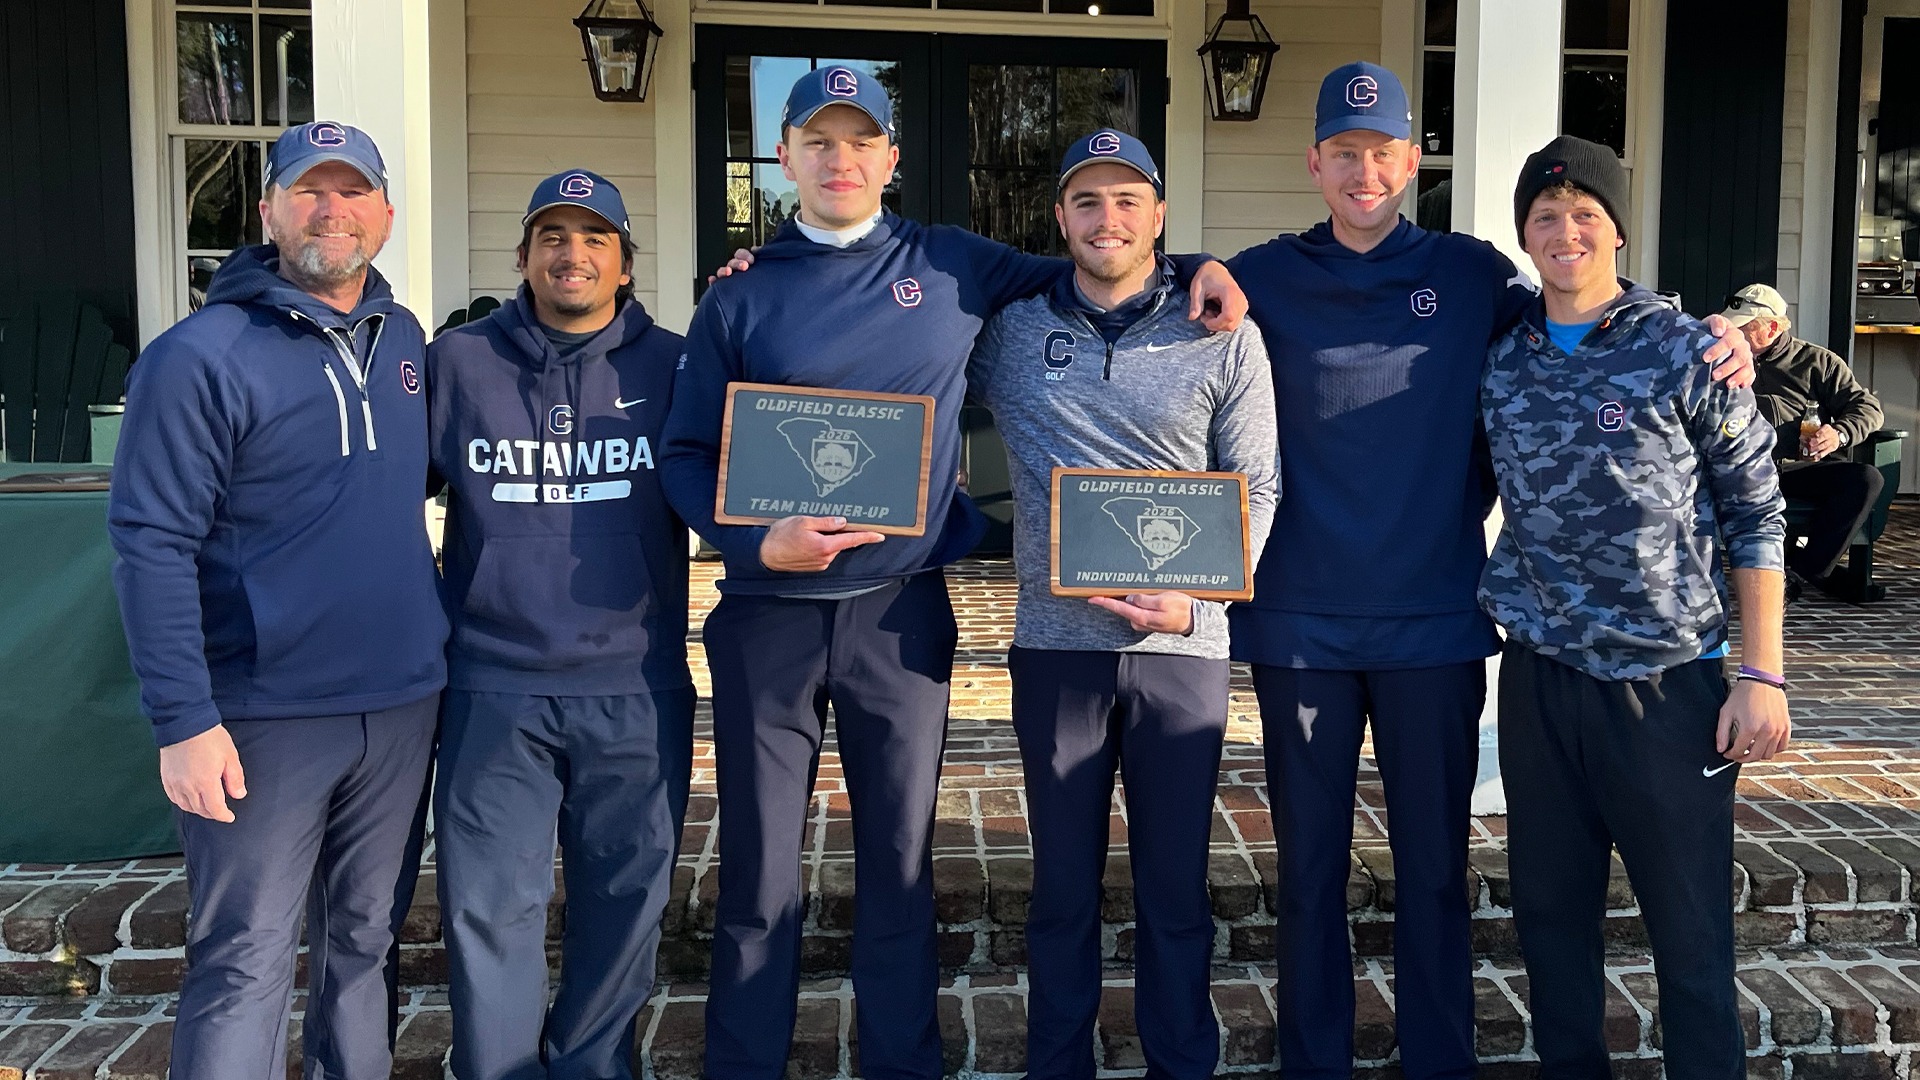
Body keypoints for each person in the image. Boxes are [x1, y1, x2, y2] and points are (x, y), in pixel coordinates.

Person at [659, 67, 1244, 1079]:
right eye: (818, 141)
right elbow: (682, 452)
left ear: (892, 159)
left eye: (860, 142)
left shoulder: (957, 265)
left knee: (897, 866)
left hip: (899, 617)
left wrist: (1204, 261)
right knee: (756, 871)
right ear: (786, 155)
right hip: (768, 614)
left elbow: (1102, 257)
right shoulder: (740, 290)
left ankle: (902, 1063)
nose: (840, 160)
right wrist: (752, 542)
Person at [1218, 62, 1755, 1080]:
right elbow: (1154, 287)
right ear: (1315, 162)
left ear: (1412, 160)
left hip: (1436, 629)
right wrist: (1193, 267)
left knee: (1433, 875)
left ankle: (1440, 1063)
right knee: (1308, 877)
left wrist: (1722, 329)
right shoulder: (1260, 275)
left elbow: (1590, 305)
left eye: (1383, 153)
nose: (1364, 172)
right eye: (1344, 152)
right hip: (1298, 628)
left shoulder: (1470, 277)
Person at [107, 121, 447, 1080]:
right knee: (245, 956)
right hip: (263, 716)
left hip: (402, 701)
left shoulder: (405, 340)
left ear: (384, 213)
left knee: (365, 942)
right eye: (308, 191)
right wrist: (184, 719)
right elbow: (150, 543)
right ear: (266, 210)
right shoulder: (198, 357)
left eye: (351, 192)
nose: (329, 210)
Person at [966, 129, 1278, 1079]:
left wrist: (1192, 605)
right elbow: (898, 371)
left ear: (1159, 217)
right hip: (1056, 647)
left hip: (1182, 651)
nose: (1109, 220)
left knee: (1174, 886)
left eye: (1128, 201)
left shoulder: (1221, 331)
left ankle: (1179, 1061)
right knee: (1062, 886)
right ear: (1059, 217)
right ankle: (1059, 1062)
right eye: (1088, 202)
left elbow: (1255, 487)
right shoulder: (1010, 332)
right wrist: (762, 262)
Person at [1484, 135, 1790, 1079]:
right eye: (1546, 217)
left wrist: (1763, 673)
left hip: (1667, 687)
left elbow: (1756, 512)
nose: (1565, 231)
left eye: (1586, 215)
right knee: (1550, 926)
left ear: (1618, 230)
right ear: (1525, 236)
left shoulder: (1687, 350)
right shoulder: (1503, 353)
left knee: (1691, 937)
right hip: (1540, 680)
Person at [426, 170, 694, 1080]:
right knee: (488, 907)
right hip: (493, 682)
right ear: (525, 255)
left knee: (624, 903)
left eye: (594, 239)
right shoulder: (456, 364)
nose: (571, 255)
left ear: (624, 264)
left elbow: (748, 482)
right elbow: (371, 494)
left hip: (636, 680)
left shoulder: (678, 367)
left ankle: (590, 1067)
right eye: (552, 235)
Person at [1721, 282, 1887, 600]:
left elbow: (1867, 408)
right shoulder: (1722, 359)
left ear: (1772, 328)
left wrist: (1838, 433)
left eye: (1743, 327)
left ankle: (1799, 573)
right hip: (1743, 471)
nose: (1734, 333)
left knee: (1866, 478)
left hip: (1799, 469)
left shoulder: (1816, 362)